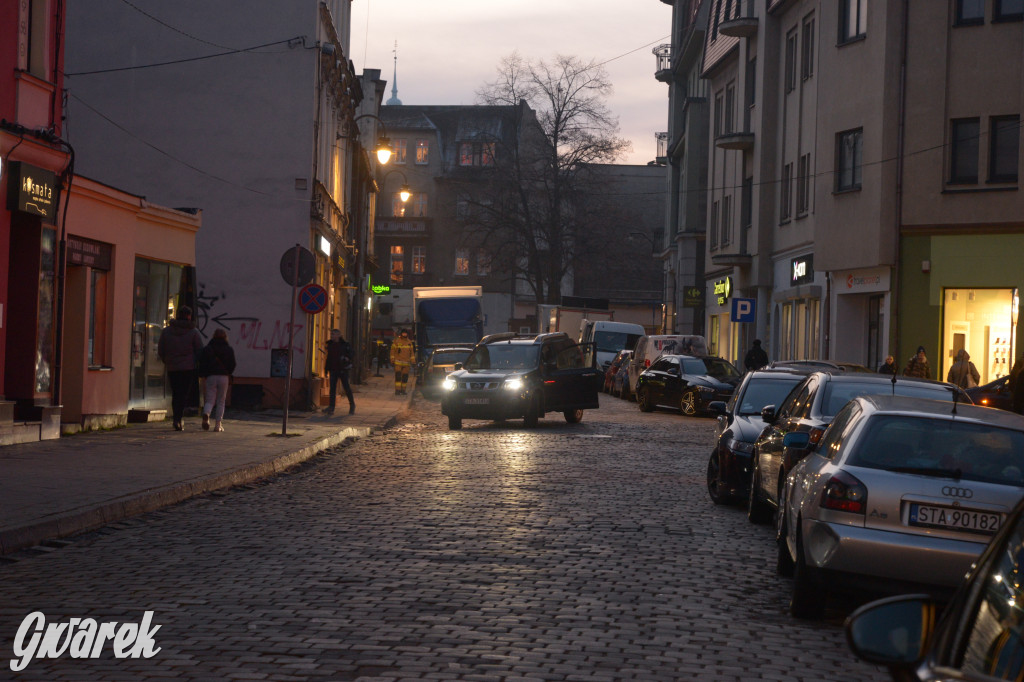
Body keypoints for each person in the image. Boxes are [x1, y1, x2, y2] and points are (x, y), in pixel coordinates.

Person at [158, 305, 203, 431]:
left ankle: (176, 418)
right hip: (188, 368)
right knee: (183, 394)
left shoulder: (166, 331)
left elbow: (161, 349)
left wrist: (166, 360)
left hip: (172, 367)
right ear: (189, 316)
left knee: (176, 392)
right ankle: (179, 418)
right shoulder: (193, 332)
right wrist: (195, 362)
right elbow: (200, 349)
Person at [198, 328, 236, 432]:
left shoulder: (208, 349)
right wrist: (228, 372)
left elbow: (202, 362)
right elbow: (232, 364)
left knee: (210, 399)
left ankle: (206, 413)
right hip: (224, 377)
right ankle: (218, 425)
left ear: (213, 336)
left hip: (211, 376)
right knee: (221, 400)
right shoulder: (229, 349)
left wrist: (204, 374)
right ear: (225, 337)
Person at [324, 329, 355, 415]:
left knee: (346, 388)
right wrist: (326, 369)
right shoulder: (330, 345)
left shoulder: (344, 344)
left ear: (338, 335)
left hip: (342, 369)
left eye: (333, 334)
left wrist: (347, 358)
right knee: (332, 390)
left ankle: (352, 405)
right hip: (333, 369)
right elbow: (329, 358)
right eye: (331, 334)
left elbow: (352, 353)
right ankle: (331, 408)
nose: (332, 336)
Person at [390, 329, 415, 395]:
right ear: (401, 334)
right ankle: (397, 390)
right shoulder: (396, 341)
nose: (404, 334)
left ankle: (403, 390)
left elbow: (412, 353)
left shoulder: (409, 342)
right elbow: (392, 351)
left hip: (406, 363)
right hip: (398, 362)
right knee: (398, 376)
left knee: (405, 377)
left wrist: (413, 361)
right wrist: (392, 360)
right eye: (403, 333)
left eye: (405, 333)